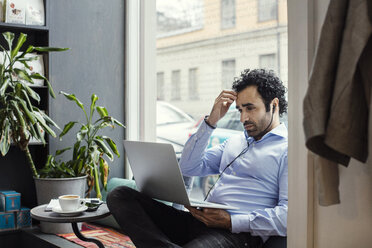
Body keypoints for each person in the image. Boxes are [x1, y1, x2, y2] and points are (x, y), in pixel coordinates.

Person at [107, 69, 288, 248]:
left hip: (238, 235)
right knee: (120, 195)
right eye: (240, 109)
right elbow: (189, 167)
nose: (243, 118)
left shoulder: (287, 151)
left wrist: (232, 221)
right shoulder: (235, 141)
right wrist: (211, 122)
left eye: (250, 108)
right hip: (199, 222)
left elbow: (287, 216)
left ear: (273, 105)